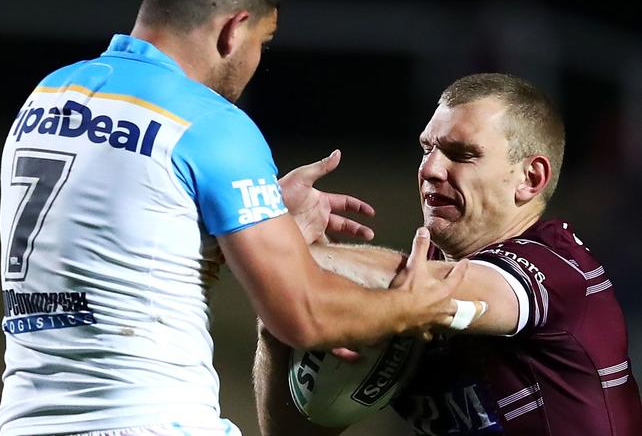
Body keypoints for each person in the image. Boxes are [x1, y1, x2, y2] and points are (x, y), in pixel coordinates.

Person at [0, 0, 486, 435]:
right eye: (263, 43)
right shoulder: (210, 122)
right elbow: (304, 315)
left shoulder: (48, 96)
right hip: (149, 421)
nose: (256, 61)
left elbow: (121, 250)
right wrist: (412, 307)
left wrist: (253, 208)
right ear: (235, 29)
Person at [254, 73, 642, 435]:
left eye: (462, 154)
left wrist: (270, 236)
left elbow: (430, 285)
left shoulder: (557, 271)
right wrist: (277, 323)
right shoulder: (406, 291)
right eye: (427, 148)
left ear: (530, 179)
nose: (431, 169)